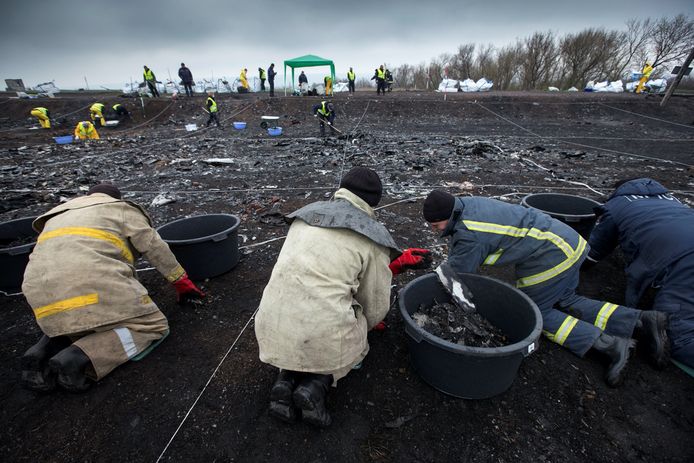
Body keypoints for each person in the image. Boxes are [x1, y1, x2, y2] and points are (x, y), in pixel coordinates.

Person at [422, 190, 670, 387]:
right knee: (565, 299)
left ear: (450, 216)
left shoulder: (469, 235)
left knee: (536, 313)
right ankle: (641, 321)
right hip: (568, 241)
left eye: (436, 225)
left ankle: (611, 345)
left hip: (551, 255)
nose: (435, 231)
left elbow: (458, 276)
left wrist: (435, 284)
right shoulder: (466, 204)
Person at [255, 167, 431, 427]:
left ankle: (285, 381)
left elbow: (327, 269)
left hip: (270, 323)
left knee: (302, 326)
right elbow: (374, 303)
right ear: (373, 202)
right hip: (323, 333)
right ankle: (317, 385)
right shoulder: (372, 236)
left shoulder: (307, 215)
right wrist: (364, 328)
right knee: (352, 336)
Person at [20, 183, 204, 392]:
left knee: (74, 319)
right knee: (151, 326)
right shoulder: (120, 209)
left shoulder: (58, 214)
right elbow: (155, 247)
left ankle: (42, 351)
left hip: (38, 290)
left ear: (89, 195)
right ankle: (80, 358)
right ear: (116, 197)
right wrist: (182, 283)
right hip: (90, 281)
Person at [586, 178, 694, 371]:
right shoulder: (672, 199)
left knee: (679, 338)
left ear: (618, 190)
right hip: (684, 249)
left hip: (683, 259)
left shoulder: (617, 205)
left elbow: (593, 253)